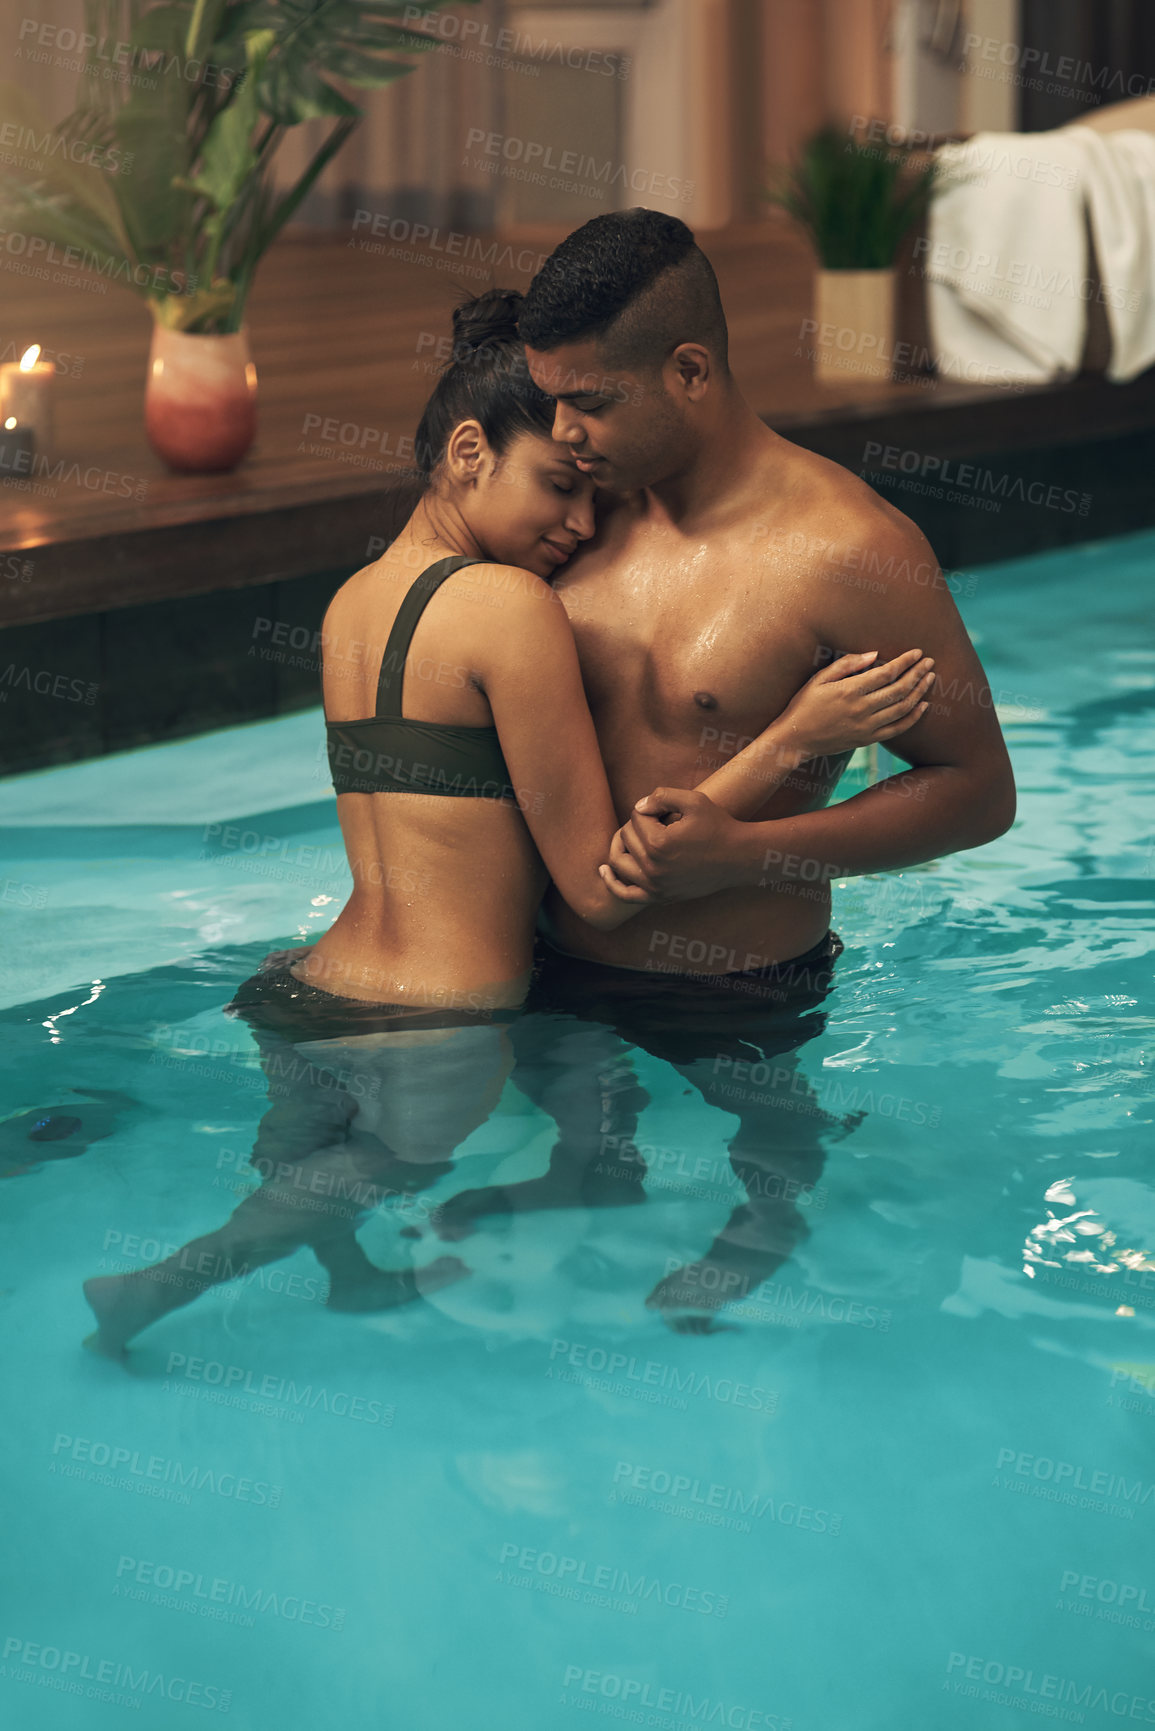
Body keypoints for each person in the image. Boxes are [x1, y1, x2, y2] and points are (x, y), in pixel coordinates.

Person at [82, 289, 931, 1355]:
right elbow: (598, 887)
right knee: (378, 1172)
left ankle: (349, 1283)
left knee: (307, 1164)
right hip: (437, 1015)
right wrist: (796, 734)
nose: (579, 525)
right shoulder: (509, 609)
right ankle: (155, 1291)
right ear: (471, 450)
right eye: (560, 487)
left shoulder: (351, 603)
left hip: (304, 987)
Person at [441, 209, 1017, 1326]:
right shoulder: (578, 513)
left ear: (690, 370)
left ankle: (772, 1216)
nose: (563, 433)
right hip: (562, 949)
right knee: (578, 1111)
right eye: (553, 399)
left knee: (767, 1122)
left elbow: (978, 792)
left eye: (592, 402)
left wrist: (748, 852)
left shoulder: (849, 551)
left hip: (742, 974)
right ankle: (588, 1166)